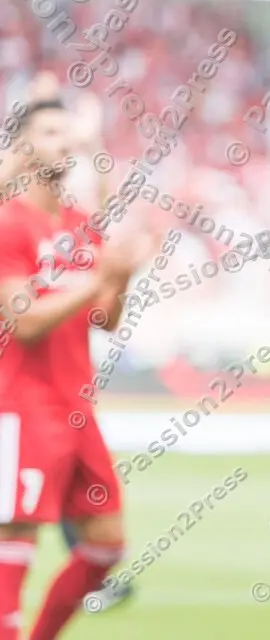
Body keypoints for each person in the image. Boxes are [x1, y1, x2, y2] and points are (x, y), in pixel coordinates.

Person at [0, 99, 156, 639]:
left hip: (76, 407)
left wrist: (121, 277)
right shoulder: (9, 222)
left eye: (67, 133)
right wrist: (97, 280)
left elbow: (105, 319)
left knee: (108, 543)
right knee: (13, 543)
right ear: (23, 149)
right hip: (20, 407)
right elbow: (23, 322)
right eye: (48, 132)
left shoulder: (78, 226)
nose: (63, 142)